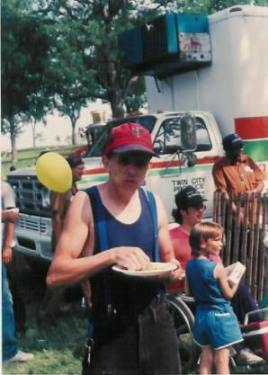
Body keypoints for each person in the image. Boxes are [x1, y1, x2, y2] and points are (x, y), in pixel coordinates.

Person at [46, 122, 183, 375]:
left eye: (140, 162)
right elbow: (56, 274)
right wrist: (110, 255)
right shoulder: (86, 203)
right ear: (106, 161)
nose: (132, 169)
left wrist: (175, 271)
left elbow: (170, 261)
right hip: (112, 327)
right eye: (124, 160)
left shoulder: (154, 203)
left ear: (148, 167)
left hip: (158, 322)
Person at [168, 185, 265, 365]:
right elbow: (167, 267)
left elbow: (217, 264)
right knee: (237, 292)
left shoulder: (208, 234)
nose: (200, 210)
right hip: (190, 292)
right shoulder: (171, 237)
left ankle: (257, 335)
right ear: (183, 211)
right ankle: (245, 345)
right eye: (195, 207)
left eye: (202, 206)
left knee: (239, 287)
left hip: (212, 286)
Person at [186, 221, 243, 375]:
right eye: (217, 240)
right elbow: (229, 294)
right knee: (222, 360)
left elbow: (189, 292)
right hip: (220, 317)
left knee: (206, 356)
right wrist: (236, 280)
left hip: (202, 317)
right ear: (203, 243)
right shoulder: (216, 268)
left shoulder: (189, 265)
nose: (221, 244)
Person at [38, 155, 85, 324]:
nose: (83, 171)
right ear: (70, 170)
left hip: (72, 238)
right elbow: (56, 217)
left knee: (72, 276)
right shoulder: (61, 188)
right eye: (80, 168)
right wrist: (60, 244)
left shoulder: (72, 186)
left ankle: (70, 306)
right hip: (62, 240)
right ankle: (46, 315)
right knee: (60, 279)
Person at [2, 180, 34, 363]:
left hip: (2, 251)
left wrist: (7, 246)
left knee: (7, 299)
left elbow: (12, 218)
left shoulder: (4, 188)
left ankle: (9, 348)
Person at [212, 133, 264, 218]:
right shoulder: (219, 166)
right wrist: (236, 211)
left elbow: (261, 181)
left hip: (254, 211)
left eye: (241, 147)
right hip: (234, 214)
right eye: (238, 148)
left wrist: (254, 191)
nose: (241, 150)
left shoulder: (247, 160)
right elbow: (223, 192)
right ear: (228, 150)